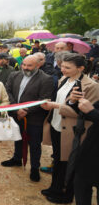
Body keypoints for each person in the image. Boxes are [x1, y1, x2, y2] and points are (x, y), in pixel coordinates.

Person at [40, 54, 99, 204]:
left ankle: (65, 194)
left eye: (67, 67)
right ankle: (55, 187)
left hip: (72, 130)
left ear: (80, 68)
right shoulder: (64, 79)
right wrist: (52, 103)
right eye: (62, 66)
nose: (63, 69)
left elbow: (83, 112)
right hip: (56, 124)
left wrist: (55, 106)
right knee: (58, 159)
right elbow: (62, 99)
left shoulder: (91, 86)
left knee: (69, 163)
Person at [2, 56, 54, 182]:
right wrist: (16, 109)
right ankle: (17, 158)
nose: (25, 68)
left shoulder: (46, 79)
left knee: (34, 144)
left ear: (38, 65)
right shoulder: (14, 75)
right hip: (16, 114)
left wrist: (26, 111)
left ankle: (35, 168)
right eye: (24, 65)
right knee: (18, 138)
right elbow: (7, 92)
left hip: (34, 118)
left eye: (29, 66)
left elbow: (44, 99)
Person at [74, 98, 99, 205]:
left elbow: (93, 113)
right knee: (81, 188)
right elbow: (88, 113)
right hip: (90, 152)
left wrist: (93, 113)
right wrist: (76, 102)